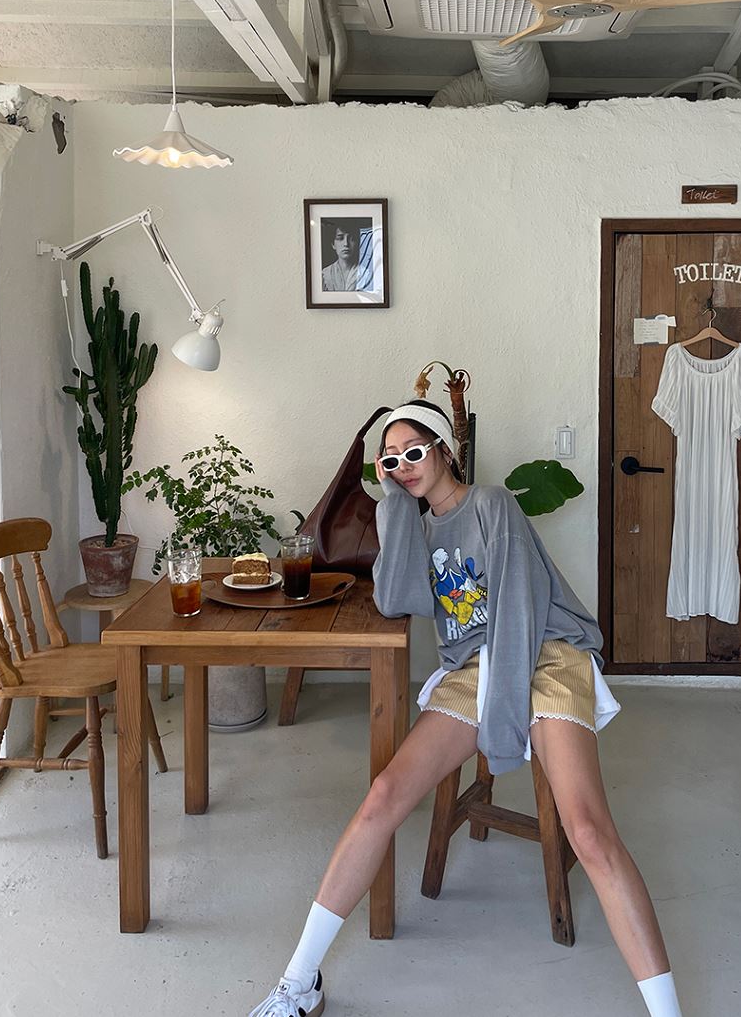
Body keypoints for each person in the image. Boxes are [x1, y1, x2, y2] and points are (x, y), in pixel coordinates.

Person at [250, 399, 684, 1017]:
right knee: (383, 796)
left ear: (445, 450)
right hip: (474, 668)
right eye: (390, 460)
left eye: (413, 452)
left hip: (545, 652)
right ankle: (299, 983)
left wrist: (502, 724)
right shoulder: (416, 524)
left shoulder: (491, 505)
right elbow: (394, 598)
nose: (403, 466)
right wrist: (393, 505)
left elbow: (516, 611)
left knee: (588, 831)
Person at [321, 221, 368, 293]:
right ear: (333, 244)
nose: (346, 244)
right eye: (340, 238)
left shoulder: (365, 273)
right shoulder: (325, 274)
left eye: (351, 239)